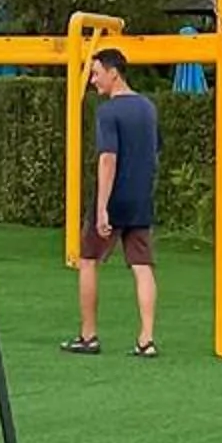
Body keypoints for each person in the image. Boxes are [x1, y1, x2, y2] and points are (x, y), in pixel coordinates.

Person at [64, 47, 161, 358]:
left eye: (95, 73)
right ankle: (146, 339)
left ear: (113, 72)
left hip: (114, 198)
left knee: (88, 260)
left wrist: (103, 207)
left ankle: (88, 335)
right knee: (142, 266)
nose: (93, 80)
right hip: (140, 198)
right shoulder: (148, 107)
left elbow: (108, 159)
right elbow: (154, 152)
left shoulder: (108, 112)